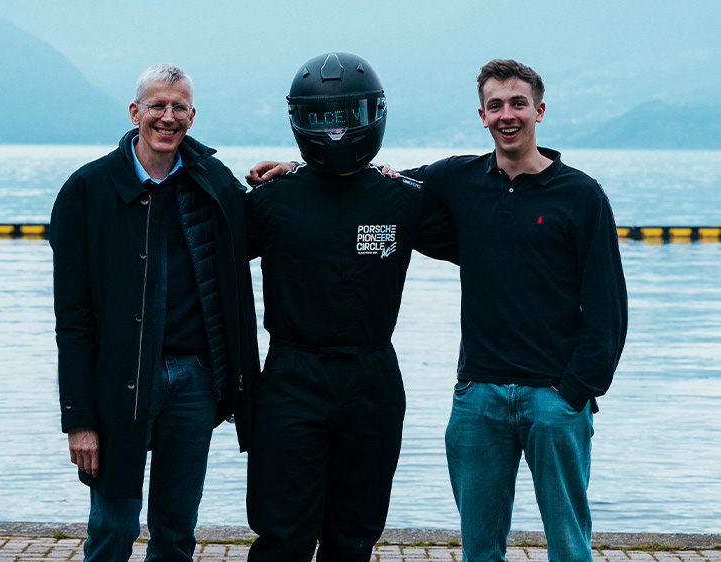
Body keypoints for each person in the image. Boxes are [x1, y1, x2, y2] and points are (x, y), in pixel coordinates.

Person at [248, 58, 628, 562]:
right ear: (482, 114)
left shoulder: (575, 195)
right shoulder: (450, 178)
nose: (507, 114)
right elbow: (353, 183)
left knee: (563, 543)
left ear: (539, 110)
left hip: (507, 390)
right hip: (423, 390)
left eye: (517, 103)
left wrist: (577, 389)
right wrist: (294, 170)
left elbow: (600, 301)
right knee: (292, 534)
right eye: (496, 105)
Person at [243, 52, 458, 562]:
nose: (336, 131)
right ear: (300, 120)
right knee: (283, 534)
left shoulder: (403, 198)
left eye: (348, 117)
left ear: (374, 115)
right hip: (292, 376)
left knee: (355, 534)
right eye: (323, 118)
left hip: (372, 377)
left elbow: (488, 230)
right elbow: (197, 248)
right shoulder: (272, 199)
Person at [49, 62, 259, 562]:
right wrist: (78, 419)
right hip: (119, 380)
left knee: (176, 531)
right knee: (112, 528)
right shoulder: (87, 191)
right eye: (157, 106)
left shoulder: (213, 181)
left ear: (192, 115)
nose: (168, 117)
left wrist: (291, 173)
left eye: (178, 107)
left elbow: (260, 227)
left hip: (195, 379)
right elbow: (72, 318)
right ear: (135, 111)